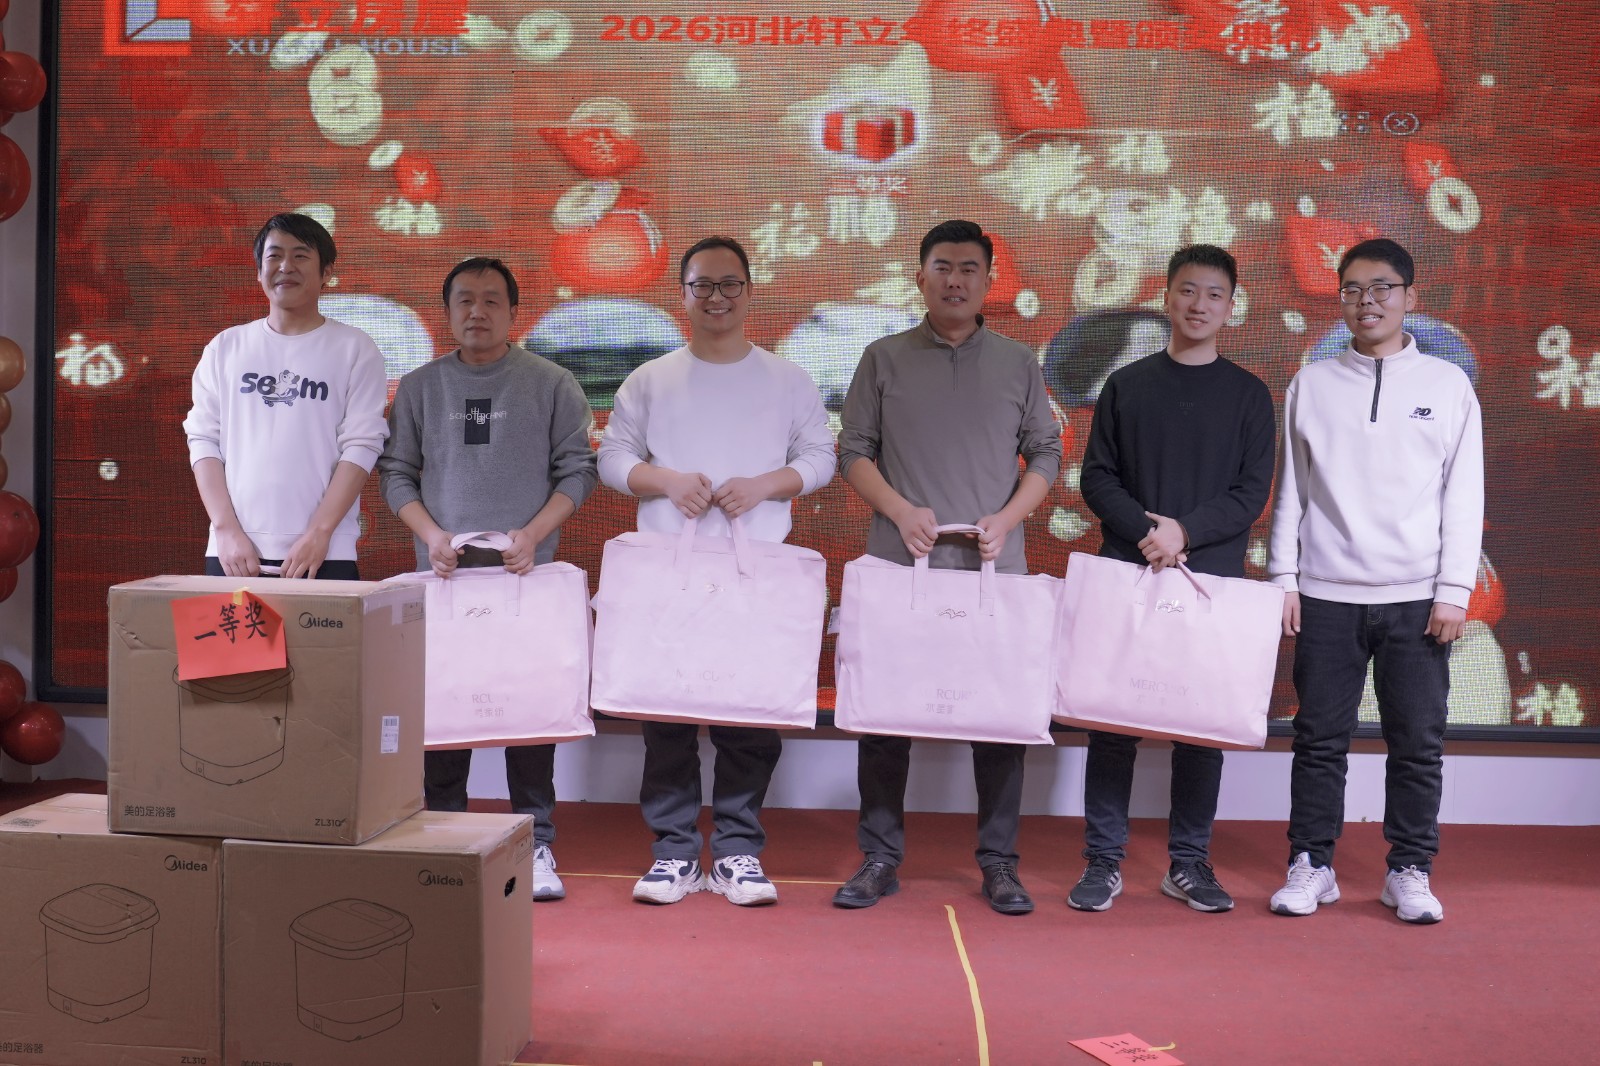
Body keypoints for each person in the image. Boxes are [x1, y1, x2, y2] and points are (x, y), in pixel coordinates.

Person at [833, 219, 1062, 915]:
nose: (955, 280)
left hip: (993, 568)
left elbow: (1046, 454)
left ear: (989, 281)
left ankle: (999, 863)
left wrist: (1008, 519)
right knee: (884, 716)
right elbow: (853, 452)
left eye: (968, 269)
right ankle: (879, 856)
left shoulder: (1018, 362)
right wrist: (901, 511)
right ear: (921, 276)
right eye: (942, 267)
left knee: (999, 720)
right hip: (900, 565)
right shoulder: (883, 357)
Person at [597, 236, 835, 906]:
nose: (717, 297)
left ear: (749, 293)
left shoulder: (787, 380)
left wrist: (765, 486)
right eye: (702, 285)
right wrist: (666, 481)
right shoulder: (652, 378)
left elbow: (822, 457)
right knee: (666, 715)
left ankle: (737, 852)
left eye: (729, 284)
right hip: (666, 570)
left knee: (749, 718)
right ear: (683, 295)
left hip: (756, 569)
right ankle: (674, 853)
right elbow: (611, 458)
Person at [1268, 238, 1483, 924]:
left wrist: (1454, 590)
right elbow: (1292, 491)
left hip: (1417, 598)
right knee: (1318, 741)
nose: (1368, 301)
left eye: (1383, 287)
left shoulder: (1447, 386)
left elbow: (1464, 495)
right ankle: (1312, 864)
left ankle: (1409, 870)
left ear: (1410, 297)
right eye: (1354, 289)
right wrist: (1283, 578)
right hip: (1326, 593)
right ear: (1341, 299)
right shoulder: (1311, 384)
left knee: (1417, 744)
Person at [377, 256, 597, 902]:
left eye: (492, 300)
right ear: (447, 312)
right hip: (444, 583)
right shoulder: (420, 388)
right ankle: (444, 840)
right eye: (465, 300)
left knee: (529, 718)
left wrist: (532, 534)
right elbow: (396, 473)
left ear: (513, 312)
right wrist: (431, 536)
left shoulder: (551, 383)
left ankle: (536, 845)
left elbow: (578, 470)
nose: (478, 311)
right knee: (444, 717)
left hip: (525, 580)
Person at [1071, 244, 1275, 914]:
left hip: (1208, 580)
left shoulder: (1249, 395)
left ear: (1231, 307)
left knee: (1201, 730)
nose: (1199, 304)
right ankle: (1102, 862)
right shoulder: (1127, 385)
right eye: (1187, 290)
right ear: (1166, 298)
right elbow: (1097, 477)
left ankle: (1188, 863)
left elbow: (1250, 493)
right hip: (1127, 570)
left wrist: (1183, 533)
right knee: (1112, 722)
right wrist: (1147, 533)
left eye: (1214, 294)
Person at [184, 212, 388, 579]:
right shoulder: (226, 347)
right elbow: (203, 440)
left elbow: (362, 444)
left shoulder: (355, 348)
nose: (285, 266)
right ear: (259, 270)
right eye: (274, 256)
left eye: (300, 256)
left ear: (326, 272)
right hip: (233, 553)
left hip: (324, 552)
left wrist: (320, 532)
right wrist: (226, 529)